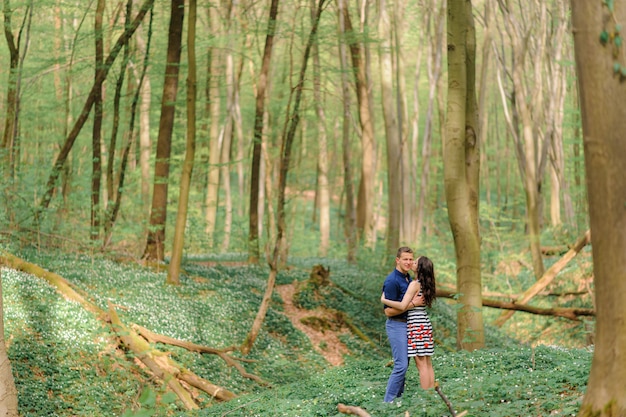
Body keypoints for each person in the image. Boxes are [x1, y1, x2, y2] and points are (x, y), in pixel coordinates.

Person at [382, 256, 436, 390]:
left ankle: (426, 397)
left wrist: (384, 300)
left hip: (416, 324)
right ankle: (432, 395)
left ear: (420, 268)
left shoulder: (414, 284)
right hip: (424, 323)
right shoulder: (427, 284)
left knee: (421, 365)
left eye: (415, 262)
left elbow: (402, 306)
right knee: (427, 363)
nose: (412, 263)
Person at [381, 246, 415, 403]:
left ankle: (398, 400)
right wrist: (412, 304)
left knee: (405, 364)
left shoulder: (408, 278)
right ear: (397, 260)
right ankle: (388, 403)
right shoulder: (392, 281)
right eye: (405, 259)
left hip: (408, 325)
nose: (408, 262)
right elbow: (388, 312)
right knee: (401, 365)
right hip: (396, 325)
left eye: (410, 259)